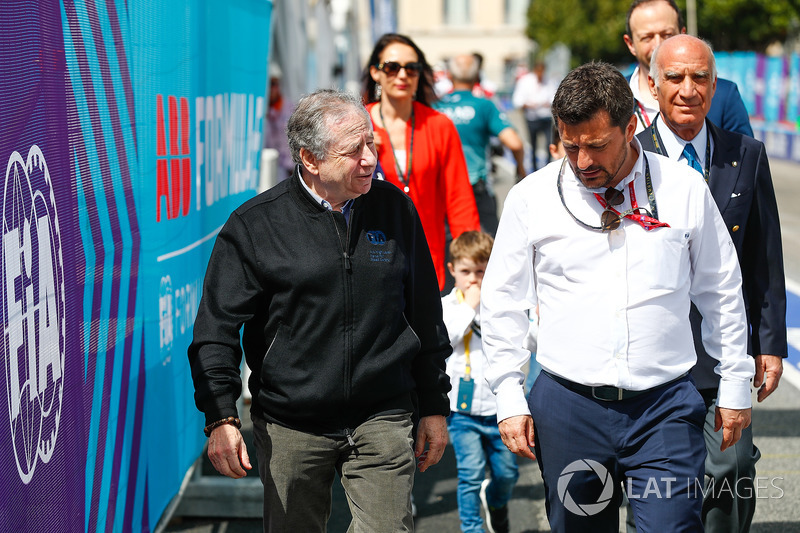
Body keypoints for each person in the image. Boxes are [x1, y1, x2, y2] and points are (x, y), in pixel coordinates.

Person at [480, 61, 755, 532]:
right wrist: (508, 393)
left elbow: (721, 290)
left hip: (664, 408)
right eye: (571, 146)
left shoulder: (683, 188)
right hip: (568, 408)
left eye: (597, 145)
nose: (584, 161)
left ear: (630, 127)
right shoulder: (532, 198)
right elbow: (502, 302)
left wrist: (734, 383)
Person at [187, 89, 452, 532]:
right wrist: (221, 415)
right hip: (292, 422)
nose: (369, 158)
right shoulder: (255, 226)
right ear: (310, 159)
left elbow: (425, 314)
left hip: (382, 412)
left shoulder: (395, 209)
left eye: (372, 144)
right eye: (354, 150)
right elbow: (215, 330)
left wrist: (433, 406)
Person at [636, 35, 786, 532]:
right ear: (653, 86)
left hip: (727, 348)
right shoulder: (629, 159)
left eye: (700, 78)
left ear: (715, 85)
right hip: (655, 350)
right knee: (665, 481)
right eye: (675, 78)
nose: (687, 89)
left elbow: (764, 256)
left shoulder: (746, 153)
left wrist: (770, 343)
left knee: (732, 468)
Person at [362, 33, 480, 291]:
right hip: (368, 258)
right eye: (392, 67)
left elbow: (459, 198)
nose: (402, 75)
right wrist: (357, 151)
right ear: (375, 72)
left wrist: (471, 263)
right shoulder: (357, 124)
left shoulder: (439, 126)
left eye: (411, 68)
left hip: (426, 256)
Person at [442, 231, 519, 533]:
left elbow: (525, 340)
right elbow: (443, 339)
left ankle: (496, 501)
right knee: (470, 474)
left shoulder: (500, 305)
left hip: (500, 408)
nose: (473, 279)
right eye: (465, 272)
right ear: (453, 271)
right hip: (462, 411)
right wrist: (468, 307)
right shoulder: (449, 305)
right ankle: (472, 528)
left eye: (480, 272)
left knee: (507, 474)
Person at [623, 0, 753, 136]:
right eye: (647, 37)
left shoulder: (724, 96)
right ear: (630, 43)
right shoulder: (612, 98)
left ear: (683, 33)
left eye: (667, 35)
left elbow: (744, 153)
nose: (658, 44)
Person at [435, 53, 526, 236]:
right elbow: (514, 143)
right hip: (476, 185)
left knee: (446, 245)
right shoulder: (484, 105)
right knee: (488, 246)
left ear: (449, 76)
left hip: (442, 187)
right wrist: (521, 170)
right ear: (478, 77)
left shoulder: (435, 106)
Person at [512, 61, 556, 171]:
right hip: (532, 118)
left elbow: (554, 97)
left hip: (545, 117)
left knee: (548, 142)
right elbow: (518, 100)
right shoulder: (525, 81)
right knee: (533, 144)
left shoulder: (549, 81)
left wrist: (548, 103)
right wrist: (528, 104)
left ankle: (548, 166)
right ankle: (535, 168)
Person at [262, 63, 294, 180]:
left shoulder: (291, 110)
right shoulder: (259, 113)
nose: (272, 89)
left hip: (288, 175)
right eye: (269, 84)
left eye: (274, 84)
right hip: (266, 173)